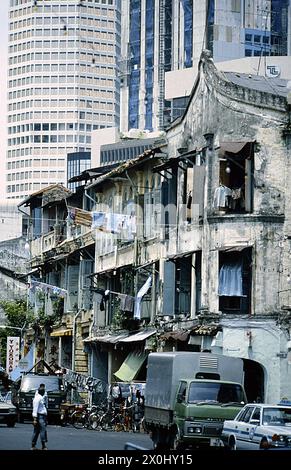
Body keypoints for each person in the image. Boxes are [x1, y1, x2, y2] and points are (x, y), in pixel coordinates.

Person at [31, 383, 48, 450]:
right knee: (42, 430)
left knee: (37, 431)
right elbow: (35, 409)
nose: (44, 392)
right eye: (43, 391)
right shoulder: (37, 398)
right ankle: (43, 446)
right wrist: (35, 419)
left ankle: (33, 445)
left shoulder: (41, 398)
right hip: (39, 416)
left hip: (42, 416)